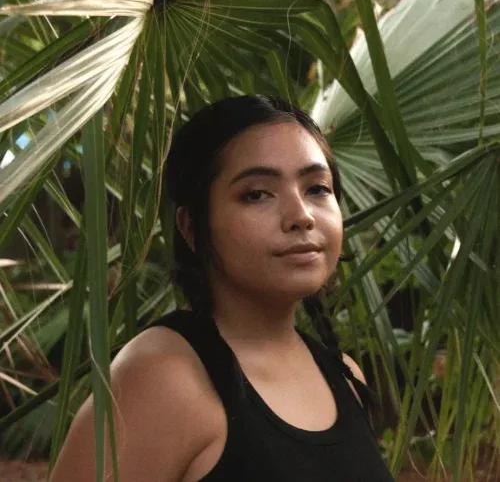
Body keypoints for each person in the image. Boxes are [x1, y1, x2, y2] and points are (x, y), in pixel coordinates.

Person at [51, 95, 394, 481]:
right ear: (191, 227)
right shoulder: (163, 377)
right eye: (256, 194)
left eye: (317, 188)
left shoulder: (345, 377)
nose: (301, 216)